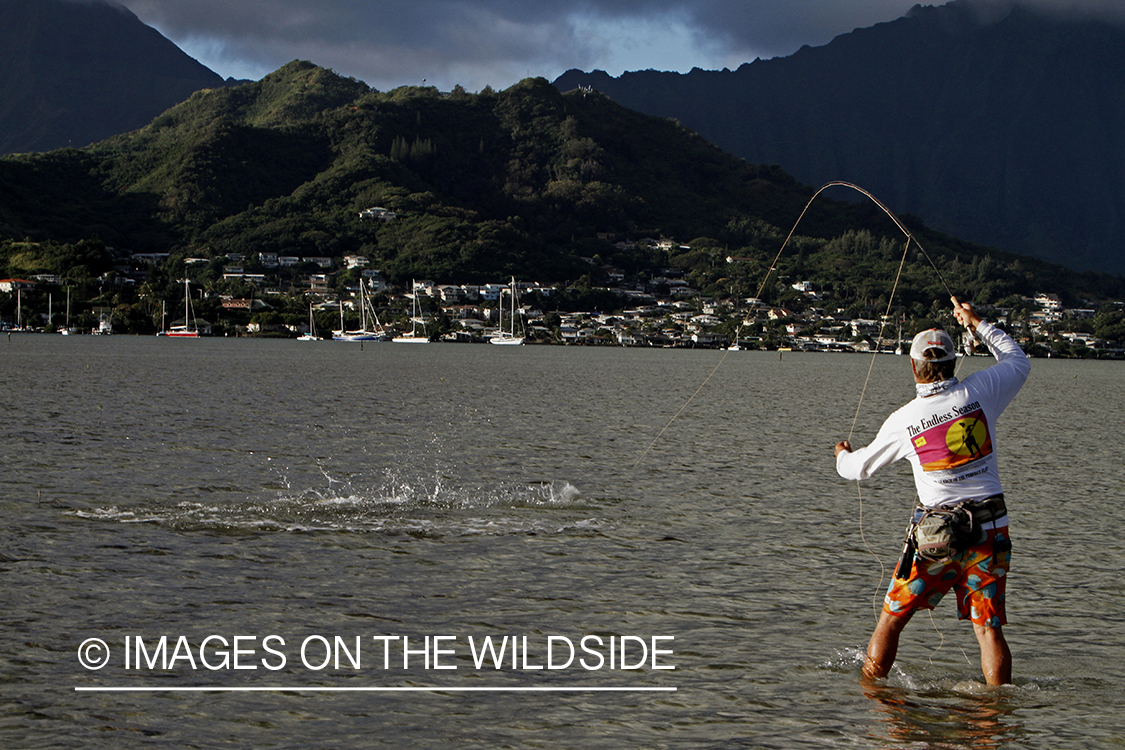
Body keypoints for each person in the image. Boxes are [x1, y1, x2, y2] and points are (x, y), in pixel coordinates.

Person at [834, 296, 1030, 685]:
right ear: (953, 363)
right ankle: (996, 716)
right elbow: (1017, 359)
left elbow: (858, 470)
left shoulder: (903, 420)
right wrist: (977, 324)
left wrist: (841, 454)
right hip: (991, 529)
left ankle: (873, 700)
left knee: (892, 618)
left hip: (936, 536)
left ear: (913, 366)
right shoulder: (982, 389)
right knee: (988, 629)